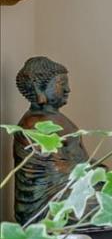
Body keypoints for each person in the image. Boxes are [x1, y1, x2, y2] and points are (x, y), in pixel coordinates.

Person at [10, 56, 89, 224]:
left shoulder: (56, 117)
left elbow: (81, 160)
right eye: (61, 83)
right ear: (40, 87)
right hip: (47, 203)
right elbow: (59, 173)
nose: (68, 89)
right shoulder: (35, 124)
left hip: (72, 185)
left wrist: (101, 172)